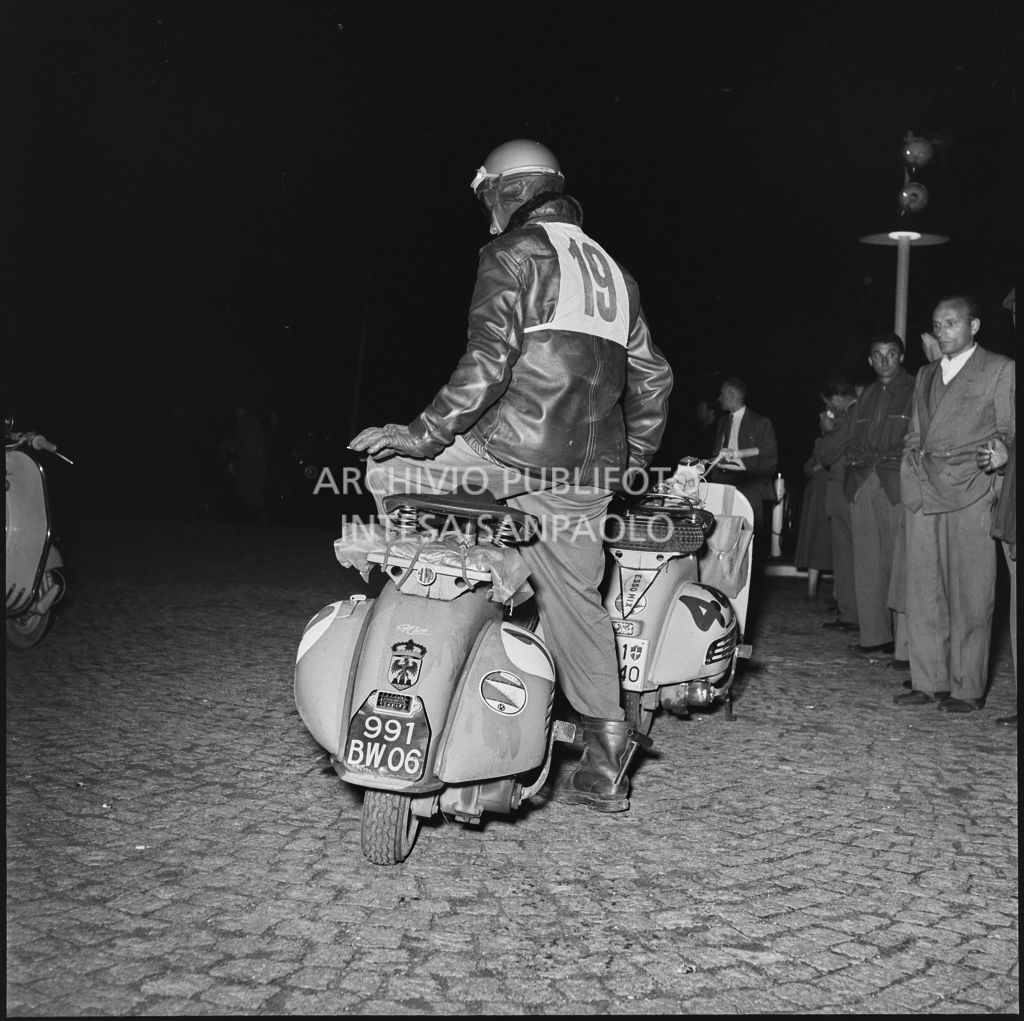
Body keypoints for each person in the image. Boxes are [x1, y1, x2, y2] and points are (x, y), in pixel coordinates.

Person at [348, 139, 673, 812]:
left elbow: (487, 364)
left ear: (505, 191)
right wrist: (630, 462)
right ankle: (609, 759)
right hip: (587, 474)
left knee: (388, 473)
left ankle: (427, 644)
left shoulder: (512, 253)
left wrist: (419, 433)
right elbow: (654, 378)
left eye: (487, 198)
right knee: (579, 601)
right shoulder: (616, 272)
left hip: (506, 453)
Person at [894, 294, 1015, 714]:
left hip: (971, 490)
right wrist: (909, 474)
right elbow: (915, 433)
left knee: (971, 594)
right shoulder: (926, 374)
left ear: (974, 327)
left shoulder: (999, 369)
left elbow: (1009, 432)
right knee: (925, 591)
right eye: (938, 324)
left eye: (952, 323)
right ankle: (929, 681)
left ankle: (967, 688)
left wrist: (1001, 454)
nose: (943, 331)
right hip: (926, 493)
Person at [843, 333, 915, 660]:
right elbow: (851, 441)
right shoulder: (865, 396)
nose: (885, 359)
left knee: (899, 562)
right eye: (878, 354)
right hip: (863, 481)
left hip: (895, 480)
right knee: (868, 562)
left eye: (891, 353)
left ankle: (905, 647)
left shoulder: (915, 388)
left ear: (901, 357)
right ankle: (874, 637)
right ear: (870, 360)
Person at [811, 378, 860, 634]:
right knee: (845, 558)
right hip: (841, 493)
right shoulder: (850, 416)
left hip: (846, 493)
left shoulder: (853, 415)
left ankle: (854, 614)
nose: (829, 407)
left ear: (840, 399)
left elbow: (826, 454)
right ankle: (849, 611)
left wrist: (826, 430)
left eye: (830, 402)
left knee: (848, 557)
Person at [706, 377, 778, 536]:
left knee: (748, 532)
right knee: (721, 532)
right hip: (723, 482)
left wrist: (756, 484)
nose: (719, 398)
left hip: (748, 484)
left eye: (722, 394)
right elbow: (716, 453)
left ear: (732, 395)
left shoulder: (760, 422)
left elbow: (770, 457)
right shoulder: (723, 422)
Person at [793, 399, 836, 600]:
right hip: (815, 496)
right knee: (814, 541)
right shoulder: (819, 442)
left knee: (833, 542)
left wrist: (820, 466)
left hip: (831, 493)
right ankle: (811, 589)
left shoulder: (840, 440)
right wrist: (817, 467)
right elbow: (808, 468)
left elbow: (829, 464)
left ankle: (838, 593)